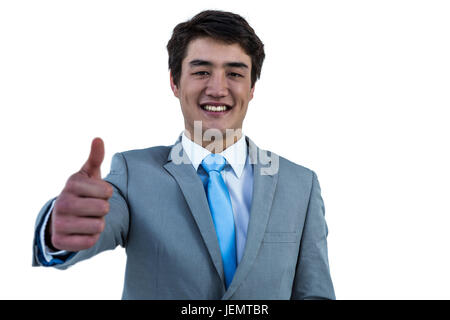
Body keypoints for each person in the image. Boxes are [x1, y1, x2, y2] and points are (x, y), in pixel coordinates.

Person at [32, 10, 335, 300]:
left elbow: (315, 292)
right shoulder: (133, 173)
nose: (217, 89)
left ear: (252, 87)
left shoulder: (301, 185)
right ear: (174, 83)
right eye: (202, 71)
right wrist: (58, 226)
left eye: (235, 73)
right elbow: (99, 220)